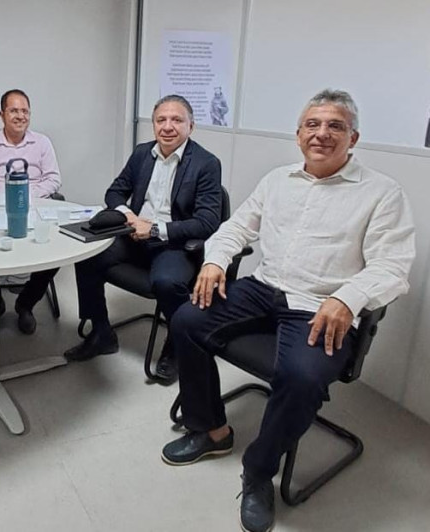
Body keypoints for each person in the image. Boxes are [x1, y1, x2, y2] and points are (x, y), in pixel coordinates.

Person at [161, 89, 415, 532]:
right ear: (298, 135)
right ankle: (212, 431)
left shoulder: (381, 194)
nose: (322, 134)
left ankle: (259, 471)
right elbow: (236, 226)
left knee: (302, 375)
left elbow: (393, 265)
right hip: (264, 288)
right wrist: (216, 260)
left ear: (353, 138)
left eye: (335, 126)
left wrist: (347, 298)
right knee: (186, 319)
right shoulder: (278, 179)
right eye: (312, 125)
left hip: (322, 305)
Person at [64, 95, 223, 386]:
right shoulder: (142, 153)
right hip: (133, 235)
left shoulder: (206, 164)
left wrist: (155, 229)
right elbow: (114, 192)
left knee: (166, 282)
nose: (167, 126)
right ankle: (101, 332)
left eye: (176, 120)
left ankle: (176, 346)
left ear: (191, 125)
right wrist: (130, 218)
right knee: (86, 255)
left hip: (172, 243)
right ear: (153, 125)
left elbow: (207, 222)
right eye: (161, 120)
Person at [0, 89, 62, 334]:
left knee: (57, 248)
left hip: (34, 206)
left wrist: (23, 194)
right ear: (2, 114)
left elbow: (53, 179)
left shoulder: (42, 142)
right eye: (14, 110)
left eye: (25, 111)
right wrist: (5, 192)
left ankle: (25, 303)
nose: (20, 116)